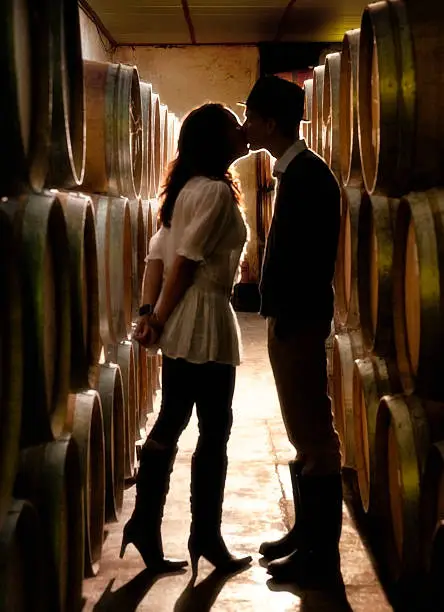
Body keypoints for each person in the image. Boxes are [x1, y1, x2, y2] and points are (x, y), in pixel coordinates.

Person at [120, 103, 253, 578]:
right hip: (204, 318)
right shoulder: (216, 192)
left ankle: (144, 524)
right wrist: (157, 315)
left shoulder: (184, 190)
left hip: (182, 320)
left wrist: (150, 315)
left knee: (172, 419)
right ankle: (206, 536)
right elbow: (186, 262)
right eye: (233, 128)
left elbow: (155, 258)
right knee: (214, 429)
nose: (243, 133)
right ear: (218, 141)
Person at [243, 76, 342, 586]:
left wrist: (287, 318)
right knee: (302, 432)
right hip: (292, 320)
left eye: (251, 117)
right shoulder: (296, 171)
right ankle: (306, 535)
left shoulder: (307, 176)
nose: (246, 125)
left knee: (315, 438)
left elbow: (307, 262)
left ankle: (320, 559)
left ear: (270, 122)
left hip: (300, 323)